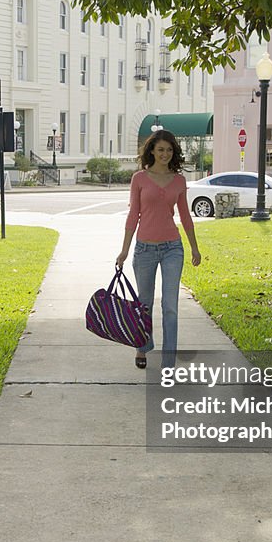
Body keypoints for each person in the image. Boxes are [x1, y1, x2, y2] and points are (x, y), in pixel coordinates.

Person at [116, 130, 202, 370]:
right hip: (144, 250)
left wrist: (194, 247)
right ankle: (142, 347)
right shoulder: (140, 179)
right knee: (144, 304)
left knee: (170, 306)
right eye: (161, 149)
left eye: (169, 150)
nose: (165, 154)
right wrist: (124, 250)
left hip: (172, 249)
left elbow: (185, 216)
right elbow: (134, 215)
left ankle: (168, 358)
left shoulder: (179, 181)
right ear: (152, 150)